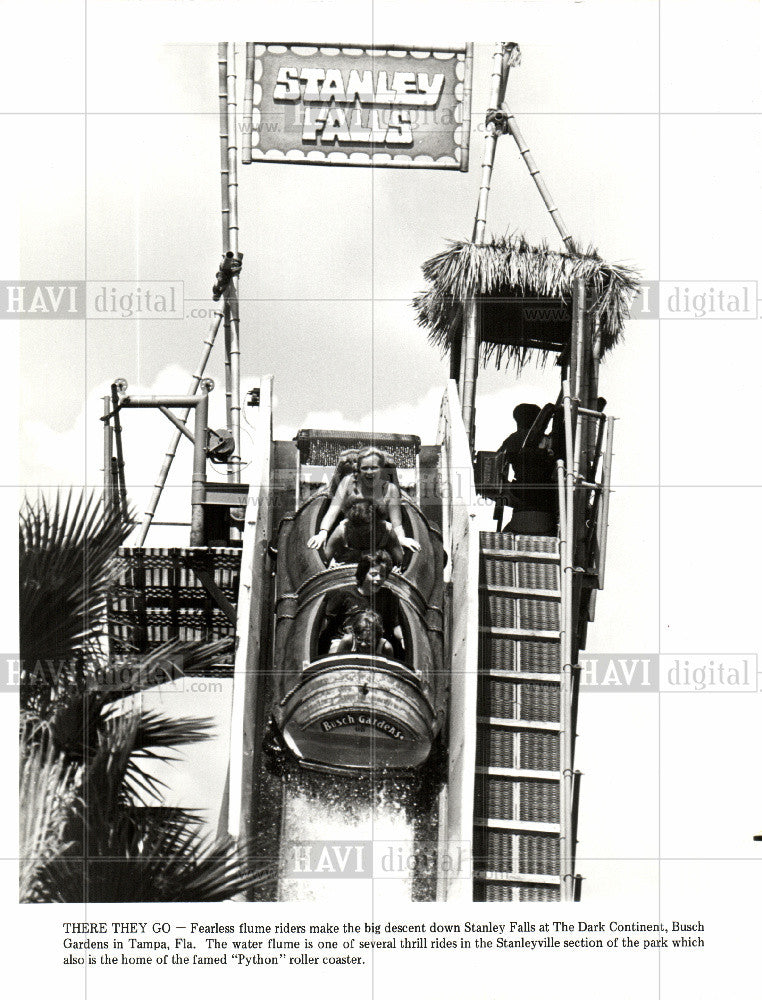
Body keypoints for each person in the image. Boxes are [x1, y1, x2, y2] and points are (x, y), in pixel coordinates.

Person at [307, 445, 420, 553]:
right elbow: (332, 511)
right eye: (365, 468)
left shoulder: (390, 489)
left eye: (374, 468)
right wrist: (322, 533)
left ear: (381, 468)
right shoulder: (347, 482)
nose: (369, 472)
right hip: (349, 535)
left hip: (379, 539)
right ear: (359, 469)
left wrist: (402, 539)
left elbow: (397, 524)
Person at [319, 550, 402, 657]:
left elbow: (395, 625)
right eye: (373, 574)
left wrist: (402, 639)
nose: (378, 579)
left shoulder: (387, 596)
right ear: (363, 573)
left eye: (382, 575)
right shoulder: (344, 594)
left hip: (373, 642)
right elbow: (326, 623)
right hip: (347, 641)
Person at [498, 403, 558, 533]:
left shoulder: (512, 440)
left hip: (521, 496)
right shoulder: (548, 441)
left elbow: (494, 466)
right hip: (547, 501)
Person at [323, 496, 404, 566]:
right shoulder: (342, 531)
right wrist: (331, 564)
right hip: (347, 569)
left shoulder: (386, 530)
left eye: (367, 526)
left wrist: (396, 567)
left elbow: (399, 560)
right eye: (359, 526)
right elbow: (325, 559)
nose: (363, 531)